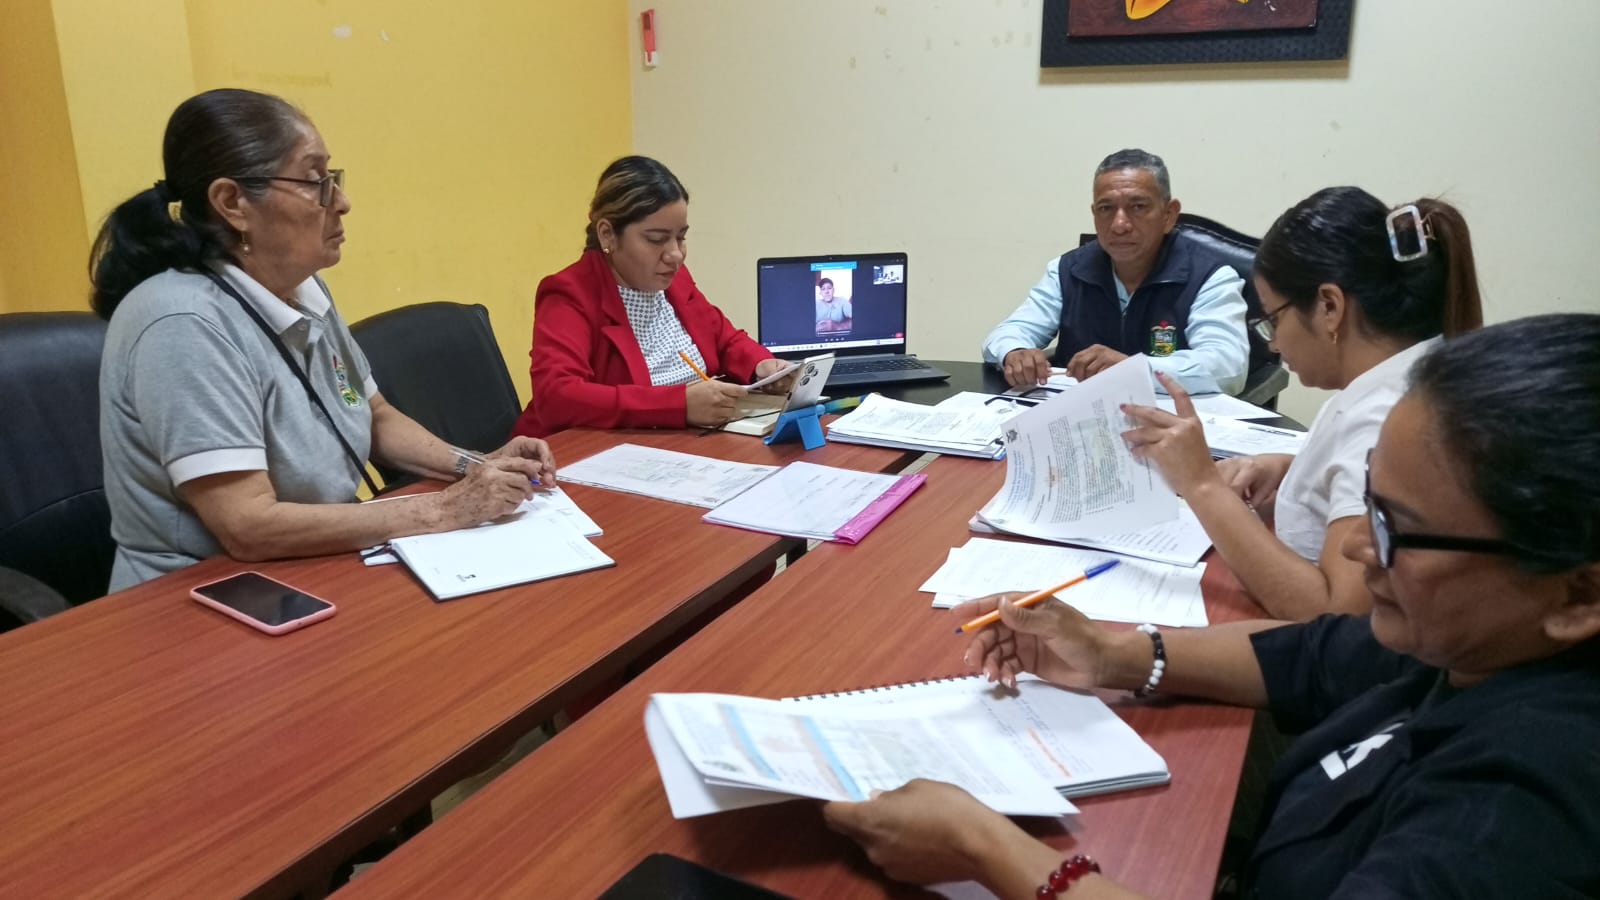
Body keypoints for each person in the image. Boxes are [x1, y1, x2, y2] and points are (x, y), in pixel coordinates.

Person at [825, 314, 1600, 899]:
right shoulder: (1477, 646)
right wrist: (1110, 652)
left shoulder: (1520, 815)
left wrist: (988, 849)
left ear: (1578, 595)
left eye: (1398, 528)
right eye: (1366, 504)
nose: (1362, 549)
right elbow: (1317, 655)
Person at [92, 89, 556, 591]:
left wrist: (478, 467)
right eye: (315, 181)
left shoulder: (302, 289)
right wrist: (443, 509)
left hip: (316, 563)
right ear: (232, 203)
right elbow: (248, 526)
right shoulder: (183, 322)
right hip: (204, 596)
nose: (342, 202)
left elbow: (373, 414)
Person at [1121, 187, 1483, 620]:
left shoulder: (1383, 418)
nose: (1273, 344)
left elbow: (1333, 615)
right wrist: (1293, 469)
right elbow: (1361, 476)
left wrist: (1202, 484)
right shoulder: (1411, 377)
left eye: (1274, 319)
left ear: (1330, 306)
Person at [511, 156, 793, 437]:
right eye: (656, 239)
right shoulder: (570, 293)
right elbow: (557, 396)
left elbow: (724, 339)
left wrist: (762, 366)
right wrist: (678, 405)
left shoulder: (674, 280)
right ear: (607, 235)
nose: (675, 255)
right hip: (576, 451)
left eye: (681, 237)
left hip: (678, 442)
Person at [982, 149, 1249, 394]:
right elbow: (1008, 332)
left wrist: (1135, 369)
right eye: (1106, 209)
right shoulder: (1067, 270)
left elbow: (1228, 366)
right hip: (1079, 418)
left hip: (1173, 422)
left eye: (1138, 207)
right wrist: (1015, 352)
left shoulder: (1209, 277)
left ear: (1169, 214)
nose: (1119, 225)